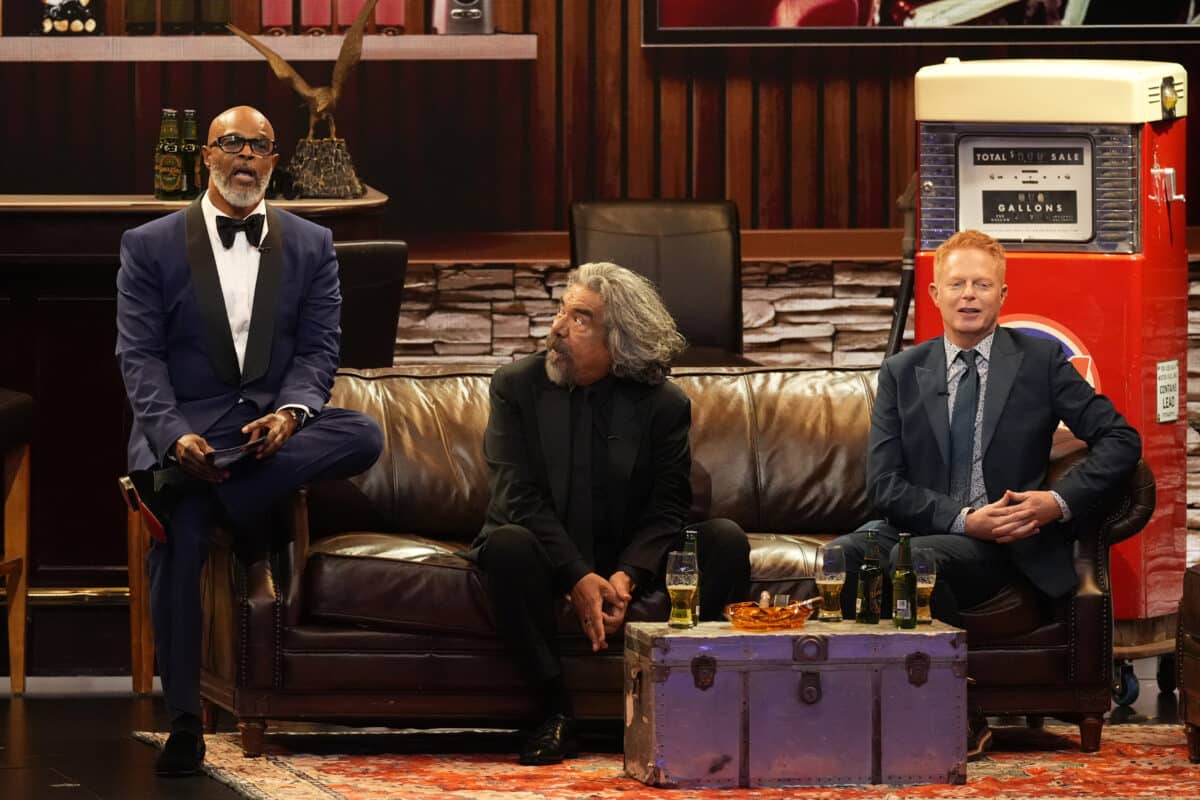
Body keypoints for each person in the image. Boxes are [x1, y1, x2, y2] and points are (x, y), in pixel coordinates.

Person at [116, 106, 383, 777]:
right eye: (231, 143)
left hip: (267, 433)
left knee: (362, 432)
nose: (244, 156)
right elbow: (139, 359)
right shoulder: (148, 245)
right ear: (206, 154)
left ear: (274, 159)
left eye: (258, 146)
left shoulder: (311, 244)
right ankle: (183, 722)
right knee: (178, 541)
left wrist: (292, 414)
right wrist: (173, 436)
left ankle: (218, 491)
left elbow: (320, 351)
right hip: (187, 434)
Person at [829, 229, 1141, 757]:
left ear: (1002, 295)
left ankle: (949, 714)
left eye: (981, 284)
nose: (968, 295)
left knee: (914, 560)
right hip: (936, 528)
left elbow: (1121, 439)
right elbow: (884, 484)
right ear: (933, 294)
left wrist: (1056, 503)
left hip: (1006, 542)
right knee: (843, 555)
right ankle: (896, 708)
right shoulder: (902, 373)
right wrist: (961, 518)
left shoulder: (1039, 363)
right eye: (957, 284)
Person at [470, 262, 751, 766]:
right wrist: (577, 575)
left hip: (626, 554)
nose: (557, 327)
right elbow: (518, 496)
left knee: (725, 540)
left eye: (579, 319)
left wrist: (627, 576)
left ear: (618, 339)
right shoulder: (516, 385)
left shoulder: (663, 404)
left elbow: (669, 505)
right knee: (507, 545)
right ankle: (554, 711)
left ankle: (685, 707)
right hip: (542, 551)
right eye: (561, 310)